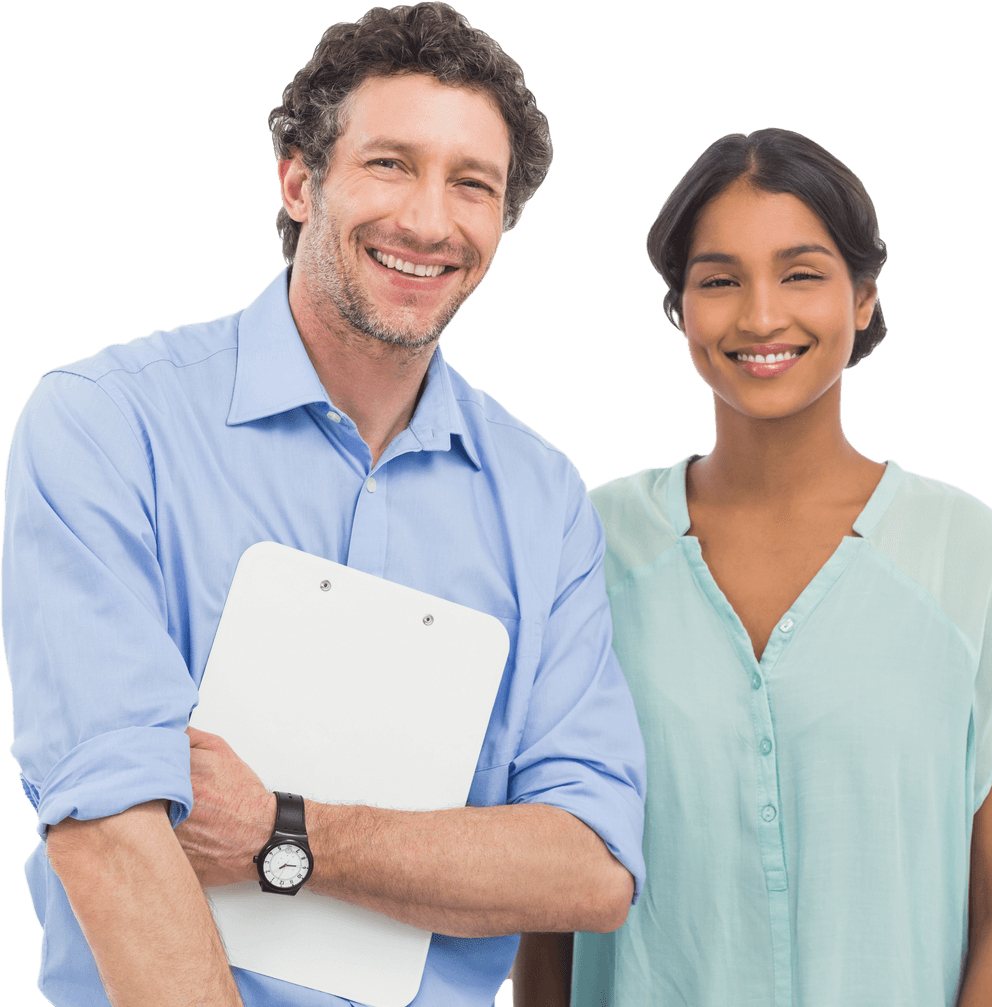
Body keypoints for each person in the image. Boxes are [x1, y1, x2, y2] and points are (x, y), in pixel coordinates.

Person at [0, 5, 646, 1006]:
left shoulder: (543, 497)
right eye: (390, 164)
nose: (429, 221)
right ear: (300, 180)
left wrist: (283, 832)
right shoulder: (106, 425)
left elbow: (590, 865)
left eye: (471, 184)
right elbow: (110, 821)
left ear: (504, 220)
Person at [514, 128, 992, 1006]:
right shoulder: (588, 545)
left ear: (864, 297)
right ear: (680, 310)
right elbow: (545, 900)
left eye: (802, 274)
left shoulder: (973, 559)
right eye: (719, 280)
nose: (761, 316)